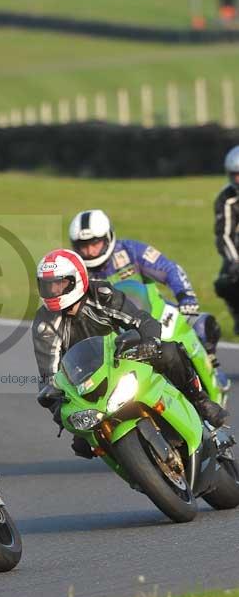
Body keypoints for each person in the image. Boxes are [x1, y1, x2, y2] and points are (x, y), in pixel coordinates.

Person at [32, 249, 227, 458]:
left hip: (125, 356)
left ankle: (200, 400)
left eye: (59, 283)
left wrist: (150, 341)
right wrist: (58, 408)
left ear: (77, 278)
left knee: (170, 352)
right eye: (48, 285)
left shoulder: (101, 295)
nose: (54, 290)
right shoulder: (45, 323)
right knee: (81, 439)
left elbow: (142, 320)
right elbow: (49, 375)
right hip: (85, 379)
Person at [69, 209, 221, 358]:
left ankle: (213, 373)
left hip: (158, 313)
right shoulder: (76, 272)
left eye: (95, 244)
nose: (89, 251)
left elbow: (169, 269)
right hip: (116, 333)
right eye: (84, 246)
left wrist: (186, 297)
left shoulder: (131, 251)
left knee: (204, 326)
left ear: (108, 238)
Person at [214, 146, 239, 334]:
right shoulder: (226, 198)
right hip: (237, 251)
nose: (238, 179)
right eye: (235, 175)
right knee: (224, 283)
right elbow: (224, 236)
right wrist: (236, 262)